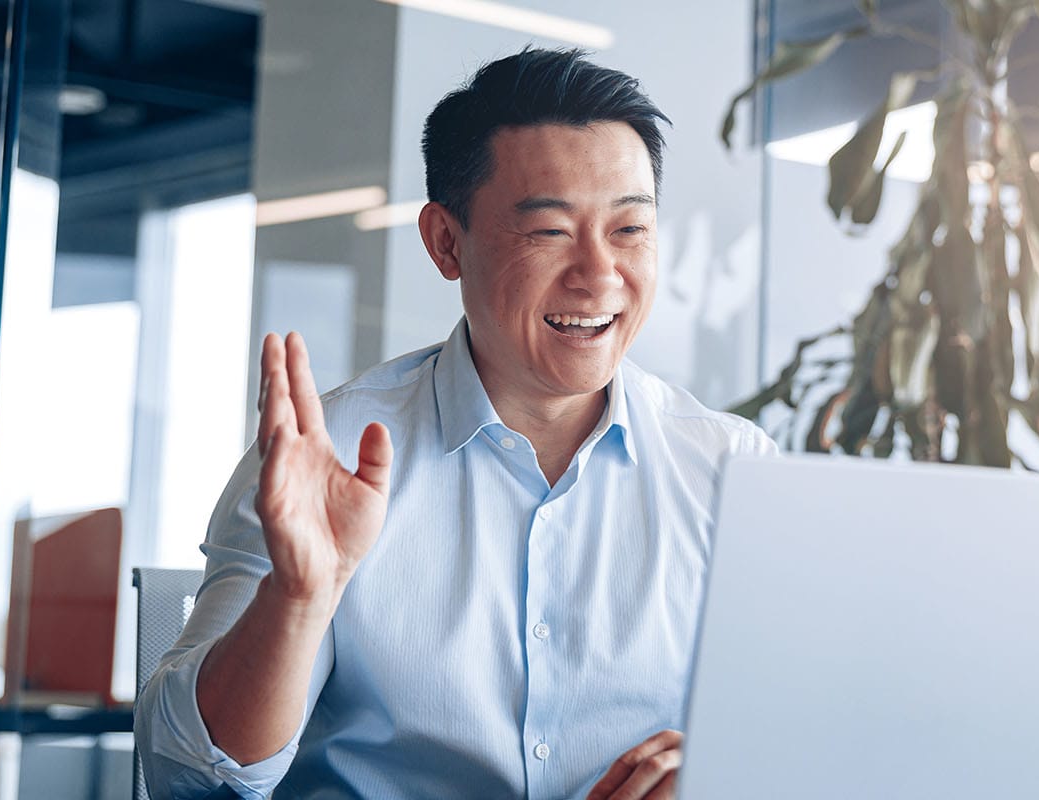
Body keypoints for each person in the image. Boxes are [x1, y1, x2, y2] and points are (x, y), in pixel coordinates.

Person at [135, 48, 776, 800]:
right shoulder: (327, 457)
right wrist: (297, 599)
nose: (600, 274)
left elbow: (809, 732)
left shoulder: (735, 471)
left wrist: (729, 774)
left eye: (630, 229)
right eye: (549, 232)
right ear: (446, 242)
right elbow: (187, 779)